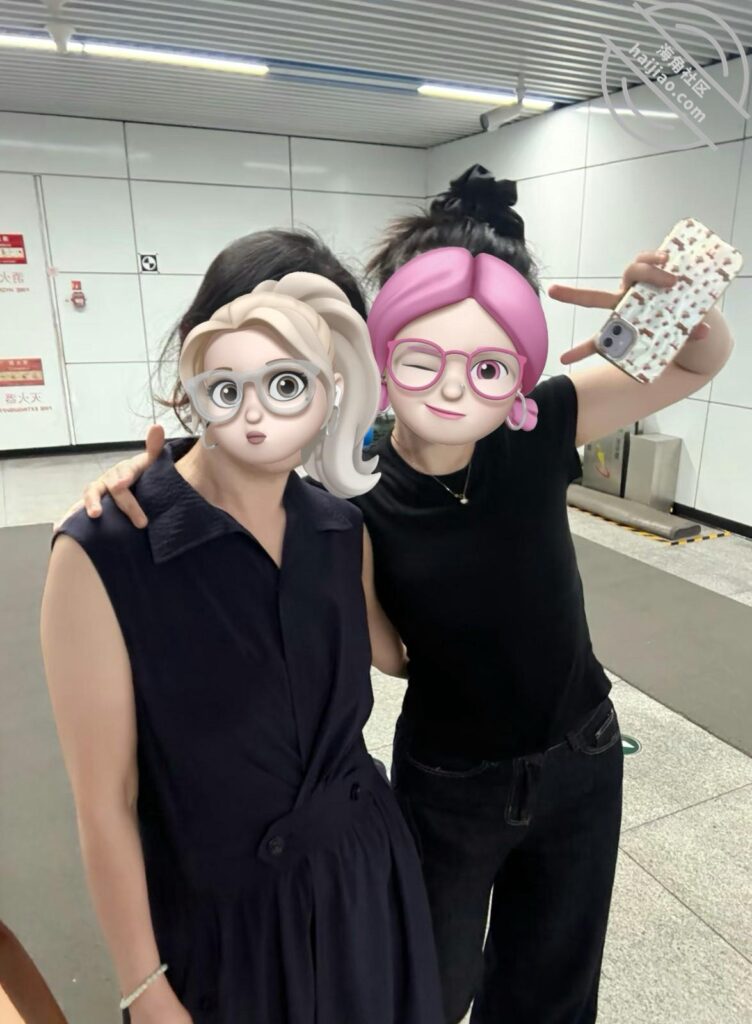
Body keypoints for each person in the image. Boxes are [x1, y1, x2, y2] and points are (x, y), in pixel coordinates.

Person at [70, 167, 736, 1024]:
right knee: (426, 990)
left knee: (553, 991)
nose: (454, 384)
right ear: (385, 356)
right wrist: (147, 475)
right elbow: (374, 636)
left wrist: (680, 310)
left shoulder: (536, 425)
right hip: (449, 782)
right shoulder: (352, 494)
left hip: (580, 754)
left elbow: (698, 361)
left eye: (485, 361)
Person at [41, 259, 443, 1024]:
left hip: (365, 883)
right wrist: (143, 988)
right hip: (225, 926)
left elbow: (397, 652)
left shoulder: (340, 529)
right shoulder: (105, 551)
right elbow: (104, 802)